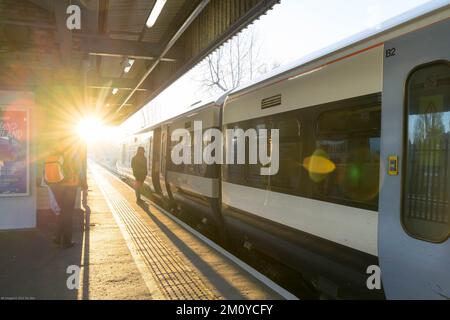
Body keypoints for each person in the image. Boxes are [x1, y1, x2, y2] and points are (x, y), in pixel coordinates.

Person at [47, 145, 88, 249]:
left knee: (63, 211)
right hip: (70, 185)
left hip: (55, 185)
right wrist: (83, 181)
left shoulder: (54, 151)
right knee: (68, 213)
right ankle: (66, 241)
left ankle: (57, 236)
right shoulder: (73, 152)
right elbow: (79, 169)